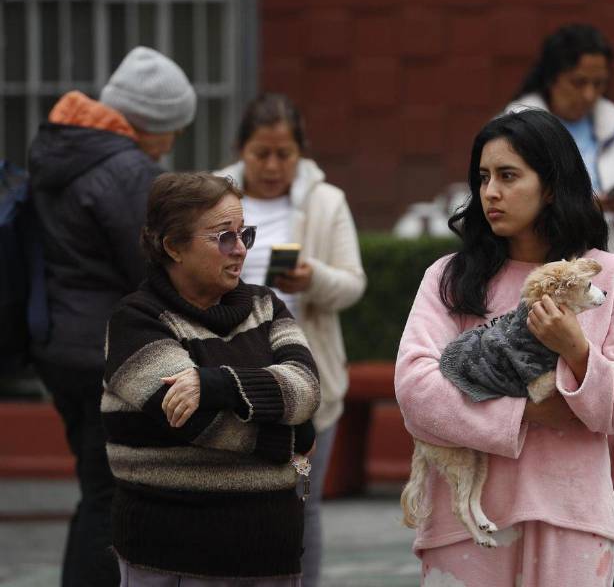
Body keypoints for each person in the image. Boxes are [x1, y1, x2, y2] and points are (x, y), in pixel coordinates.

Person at [394, 109, 614, 587]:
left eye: (508, 176)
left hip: (571, 517)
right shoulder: (448, 278)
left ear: (552, 186)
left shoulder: (611, 278)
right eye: (483, 177)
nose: (490, 192)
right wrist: (527, 415)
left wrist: (576, 351)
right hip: (466, 526)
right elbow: (415, 390)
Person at [26, 46, 196, 587]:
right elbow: (155, 267)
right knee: (114, 496)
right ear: (148, 123)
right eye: (171, 129)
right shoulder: (125, 170)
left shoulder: (63, 149)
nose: (173, 142)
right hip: (108, 353)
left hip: (60, 344)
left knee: (98, 487)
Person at [103, 172, 320, 584]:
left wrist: (217, 384)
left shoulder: (266, 306)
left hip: (271, 553)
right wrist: (294, 439)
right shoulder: (136, 320)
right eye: (224, 237)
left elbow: (306, 389)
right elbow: (195, 421)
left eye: (245, 234)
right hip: (173, 555)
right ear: (173, 247)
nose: (240, 250)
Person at [216, 92, 366, 587]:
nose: (273, 165)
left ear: (301, 153)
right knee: (233, 501)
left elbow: (352, 284)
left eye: (285, 154)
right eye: (262, 153)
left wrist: (313, 278)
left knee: (303, 501)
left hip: (308, 376)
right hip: (230, 373)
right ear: (242, 149)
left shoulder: (327, 202)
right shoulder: (214, 197)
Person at [506, 23, 614, 301]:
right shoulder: (514, 127)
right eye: (578, 82)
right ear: (551, 78)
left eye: (599, 83)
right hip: (535, 286)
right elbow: (490, 209)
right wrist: (575, 209)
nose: (589, 95)